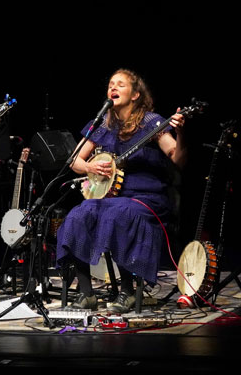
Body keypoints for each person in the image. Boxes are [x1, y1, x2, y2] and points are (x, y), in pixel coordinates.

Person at [56, 68, 187, 313]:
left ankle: (127, 291)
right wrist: (89, 165)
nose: (113, 88)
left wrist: (181, 133)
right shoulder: (103, 124)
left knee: (118, 214)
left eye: (121, 84)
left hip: (146, 198)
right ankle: (86, 293)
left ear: (136, 94)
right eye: (110, 84)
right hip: (110, 198)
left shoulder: (152, 122)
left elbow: (176, 157)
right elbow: (74, 161)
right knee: (78, 214)